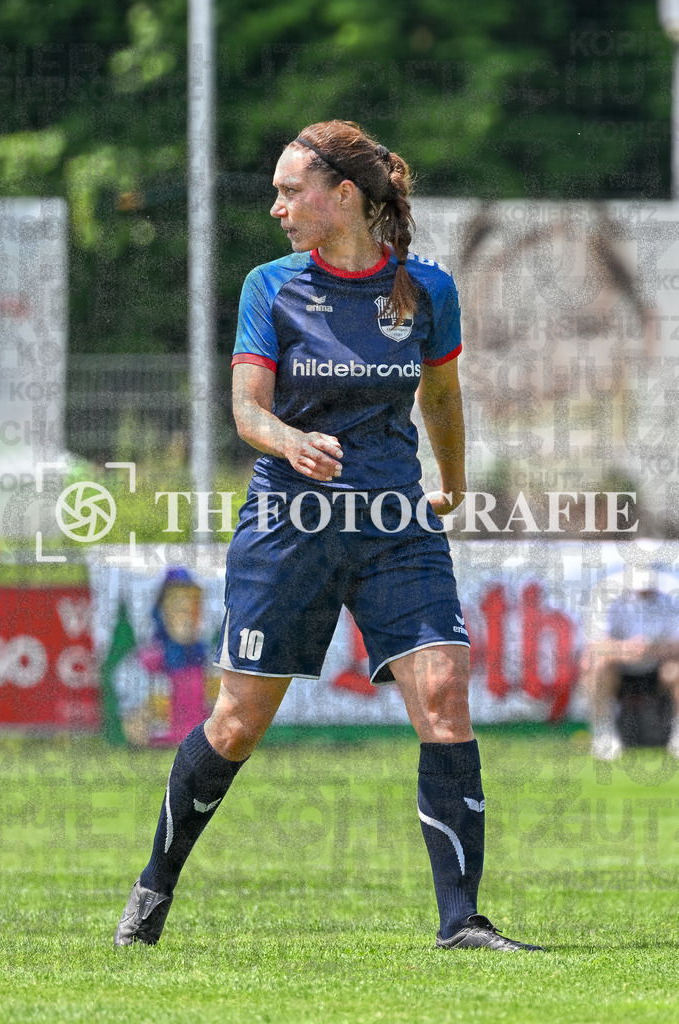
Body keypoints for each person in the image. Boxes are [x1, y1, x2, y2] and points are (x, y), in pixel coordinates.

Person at [114, 120, 543, 952]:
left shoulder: (425, 290)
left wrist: (451, 482)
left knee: (447, 700)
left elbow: (442, 400)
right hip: (289, 524)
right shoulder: (268, 286)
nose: (275, 206)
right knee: (236, 724)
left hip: (394, 527)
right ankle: (153, 887)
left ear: (342, 196)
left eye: (288, 189)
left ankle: (461, 922)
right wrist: (287, 439)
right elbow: (245, 408)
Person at [584, 567, 679, 761]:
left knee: (676, 670)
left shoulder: (671, 593)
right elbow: (595, 646)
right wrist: (626, 650)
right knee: (595, 667)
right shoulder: (606, 592)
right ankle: (604, 734)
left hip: (658, 668)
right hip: (619, 669)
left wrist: (651, 649)